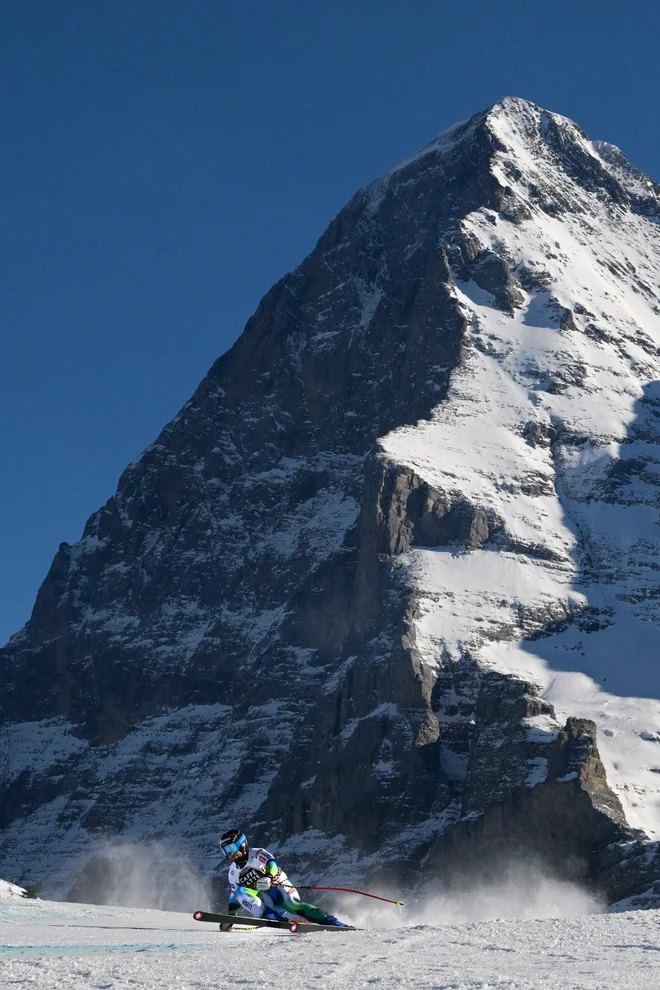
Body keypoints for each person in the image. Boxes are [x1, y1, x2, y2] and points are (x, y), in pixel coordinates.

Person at [219, 828, 348, 928]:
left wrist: (269, 877)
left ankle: (331, 921)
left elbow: (272, 863)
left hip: (279, 887)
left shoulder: (257, 854)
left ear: (242, 844)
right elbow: (235, 896)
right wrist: (231, 917)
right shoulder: (232, 872)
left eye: (231, 848)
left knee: (292, 906)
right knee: (239, 891)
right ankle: (269, 916)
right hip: (266, 898)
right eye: (225, 851)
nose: (229, 854)